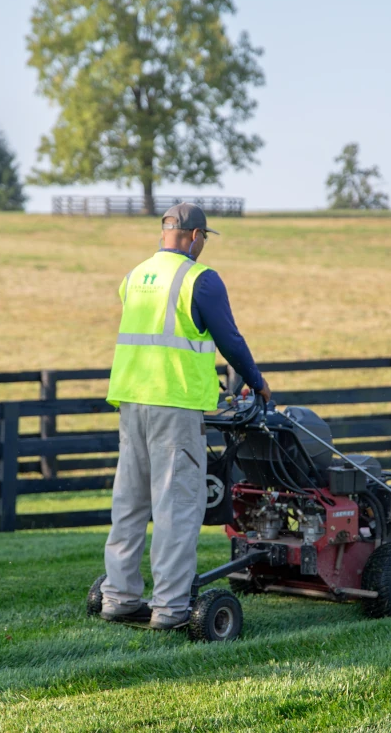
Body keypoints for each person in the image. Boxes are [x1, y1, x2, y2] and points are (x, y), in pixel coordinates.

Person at [100, 202, 271, 629]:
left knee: (130, 502)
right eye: (204, 240)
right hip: (174, 408)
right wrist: (257, 379)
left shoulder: (134, 277)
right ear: (195, 237)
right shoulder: (201, 280)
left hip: (131, 401)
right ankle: (172, 608)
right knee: (177, 507)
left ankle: (119, 597)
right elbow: (229, 339)